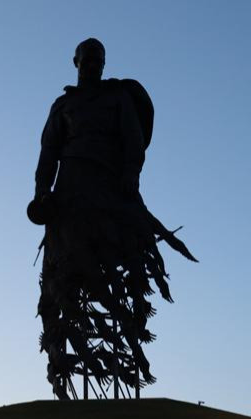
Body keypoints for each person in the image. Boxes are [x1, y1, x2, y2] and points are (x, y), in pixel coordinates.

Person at [31, 38, 196, 400]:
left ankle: (129, 344)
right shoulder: (63, 106)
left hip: (108, 186)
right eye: (87, 58)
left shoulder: (118, 97)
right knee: (62, 276)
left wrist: (129, 178)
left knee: (124, 263)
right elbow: (48, 154)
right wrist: (42, 193)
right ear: (75, 61)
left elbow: (134, 143)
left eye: (99, 59)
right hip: (70, 190)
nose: (93, 64)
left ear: (104, 63)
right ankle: (62, 366)